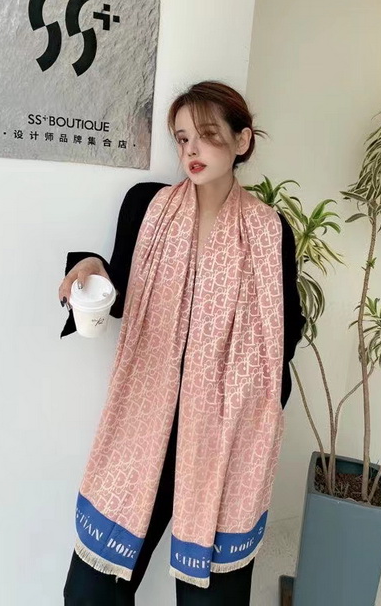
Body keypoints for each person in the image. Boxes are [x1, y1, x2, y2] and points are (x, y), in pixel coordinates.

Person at [58, 81, 306, 605]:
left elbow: (286, 328)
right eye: (182, 137)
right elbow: (122, 292)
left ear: (241, 141)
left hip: (224, 438)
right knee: (88, 594)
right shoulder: (147, 205)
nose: (192, 149)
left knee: (210, 600)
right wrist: (91, 267)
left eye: (208, 135)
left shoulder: (268, 230)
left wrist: (250, 405)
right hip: (144, 426)